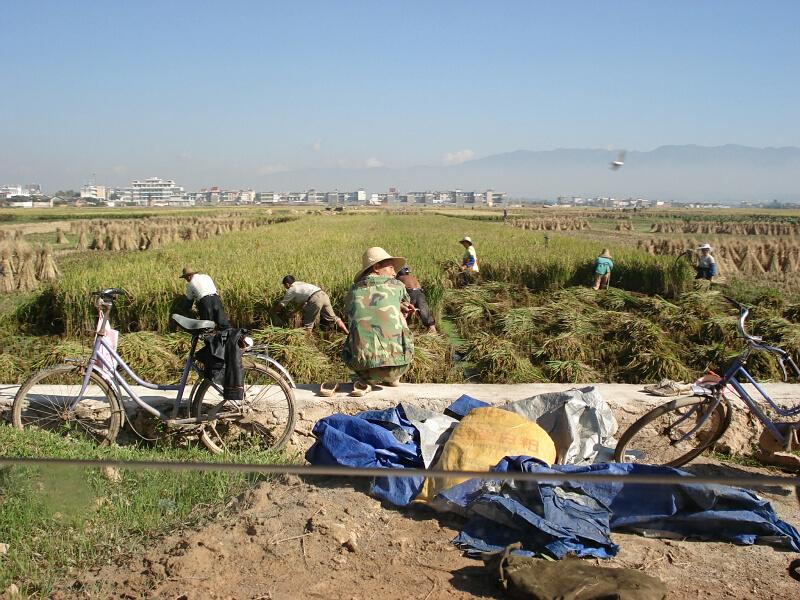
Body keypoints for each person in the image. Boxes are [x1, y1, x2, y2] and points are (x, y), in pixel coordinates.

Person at [341, 247, 414, 397]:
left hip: (362, 368)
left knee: (355, 327)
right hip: (399, 365)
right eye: (391, 268)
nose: (395, 273)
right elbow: (405, 303)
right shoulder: (398, 286)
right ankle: (393, 377)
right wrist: (402, 310)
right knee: (399, 316)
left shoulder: (351, 292)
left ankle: (367, 380)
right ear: (376, 268)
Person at [279, 275, 348, 334]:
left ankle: (306, 343)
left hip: (315, 299)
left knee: (308, 324)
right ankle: (347, 333)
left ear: (287, 284)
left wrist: (272, 311)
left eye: (284, 285)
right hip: (324, 295)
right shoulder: (301, 284)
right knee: (333, 318)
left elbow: (282, 304)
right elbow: (302, 304)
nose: (285, 287)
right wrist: (293, 312)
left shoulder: (291, 289)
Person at [396, 266, 437, 334]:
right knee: (424, 311)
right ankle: (433, 330)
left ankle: (403, 331)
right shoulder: (413, 277)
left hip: (410, 292)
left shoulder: (399, 278)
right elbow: (420, 287)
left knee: (406, 310)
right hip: (420, 292)